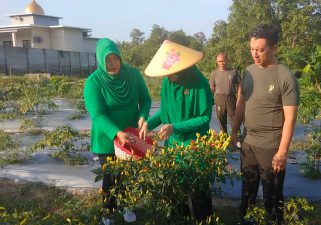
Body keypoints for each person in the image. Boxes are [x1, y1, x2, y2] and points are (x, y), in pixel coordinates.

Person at [230, 24, 300, 225]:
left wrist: (282, 152)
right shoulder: (249, 72)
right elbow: (241, 104)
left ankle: (274, 220)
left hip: (271, 146)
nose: (255, 54)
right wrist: (234, 132)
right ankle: (246, 219)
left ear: (274, 48)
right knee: (247, 187)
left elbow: (290, 118)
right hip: (248, 142)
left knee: (272, 193)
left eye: (260, 50)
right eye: (252, 49)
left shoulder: (284, 76)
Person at [139, 40, 214, 222]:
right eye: (167, 73)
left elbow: (204, 117)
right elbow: (165, 113)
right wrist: (148, 123)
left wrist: (175, 127)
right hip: (173, 144)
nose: (169, 76)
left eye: (172, 73)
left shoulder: (199, 82)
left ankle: (203, 220)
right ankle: (181, 220)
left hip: (194, 144)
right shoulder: (167, 83)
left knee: (198, 190)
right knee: (176, 189)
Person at [83, 38, 152, 216]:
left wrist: (143, 116)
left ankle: (124, 207)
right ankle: (108, 212)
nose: (112, 64)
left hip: (129, 136)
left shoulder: (133, 74)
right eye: (107, 60)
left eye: (115, 58)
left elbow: (145, 100)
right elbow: (97, 114)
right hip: (107, 138)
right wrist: (116, 132)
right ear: (100, 60)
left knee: (127, 174)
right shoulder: (94, 82)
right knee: (111, 176)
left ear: (120, 58)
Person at [209, 52, 242, 134]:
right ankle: (224, 139)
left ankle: (237, 138)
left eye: (223, 61)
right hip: (219, 98)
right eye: (219, 61)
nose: (221, 63)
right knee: (221, 120)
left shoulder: (234, 72)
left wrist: (239, 98)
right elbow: (212, 87)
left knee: (234, 119)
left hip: (231, 98)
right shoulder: (214, 73)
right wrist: (209, 100)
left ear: (227, 60)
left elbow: (239, 86)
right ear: (217, 62)